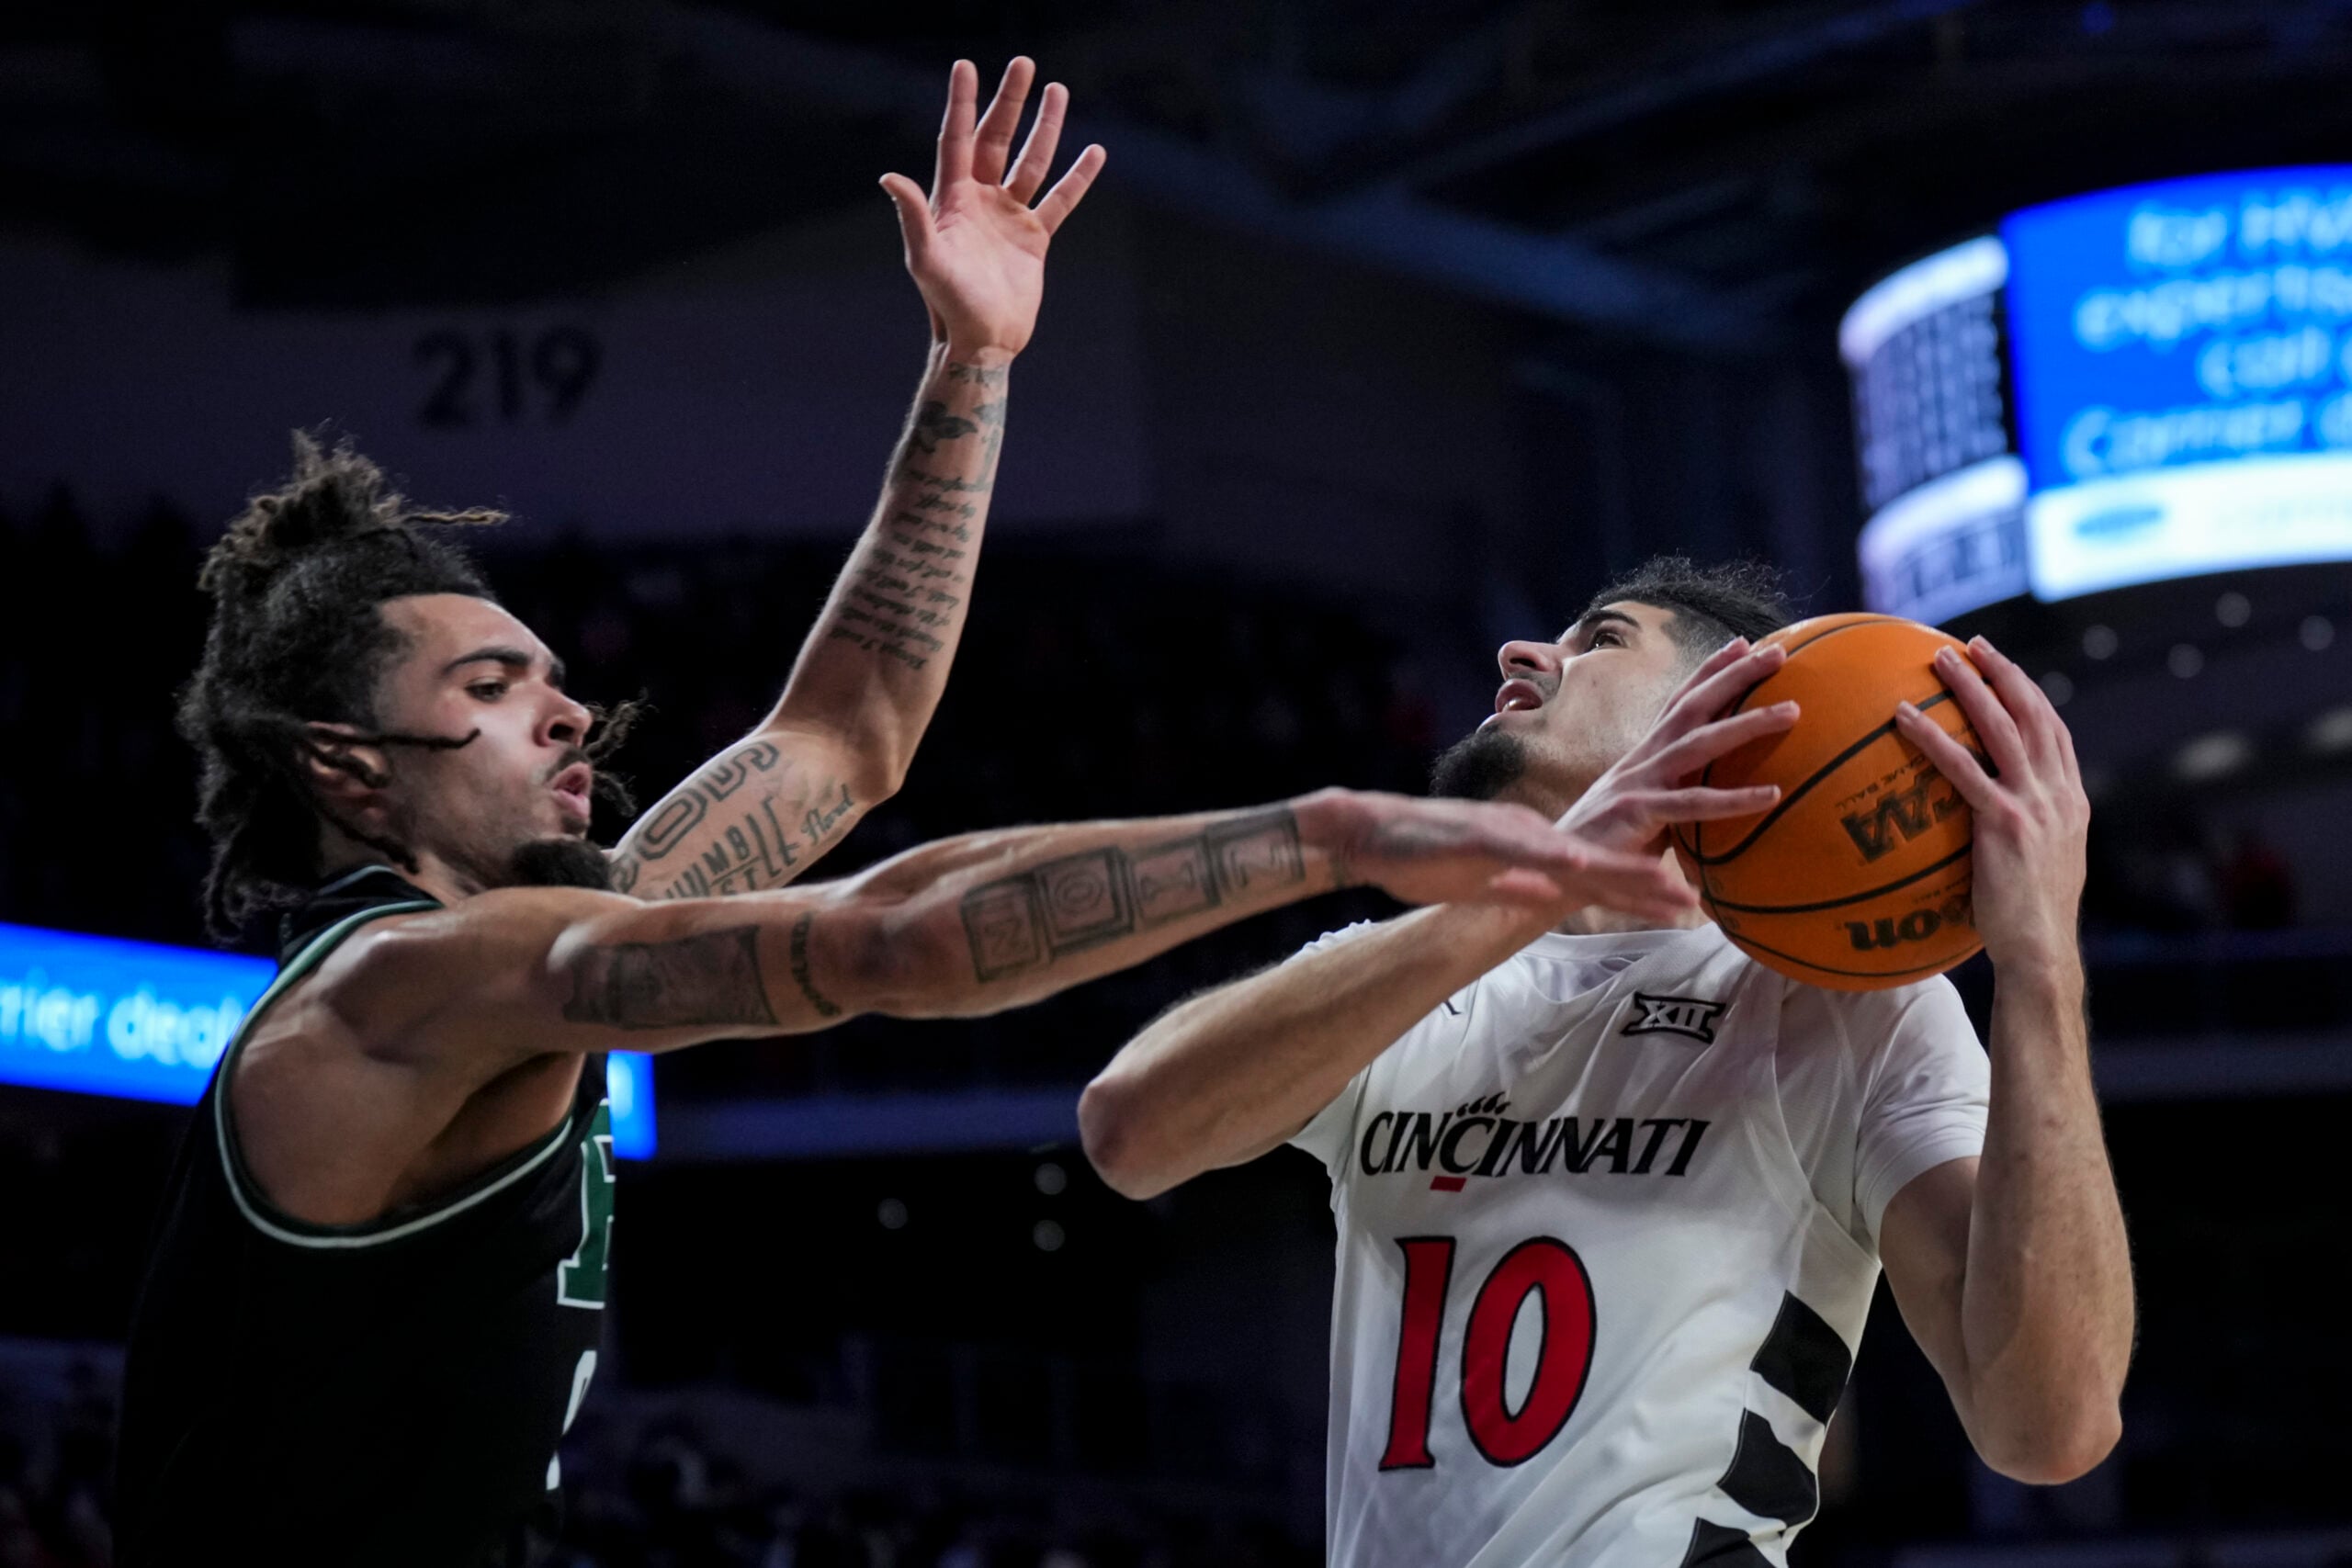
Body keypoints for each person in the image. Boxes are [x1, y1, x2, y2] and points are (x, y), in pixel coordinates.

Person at [110, 60, 1692, 1565]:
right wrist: (1332, 835)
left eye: (551, 676)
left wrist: (974, 364)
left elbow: (846, 735)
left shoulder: (532, 956)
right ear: (344, 766)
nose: (567, 706)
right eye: (490, 685)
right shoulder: (393, 993)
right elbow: (883, 938)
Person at [1079, 558, 2134, 1567]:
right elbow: (1127, 1133)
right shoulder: (1401, 976)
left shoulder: (1845, 1012)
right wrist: (1532, 887)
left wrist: (2040, 965)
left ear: (1726, 712)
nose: (1520, 651)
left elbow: (2047, 1428)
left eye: (1602, 640)